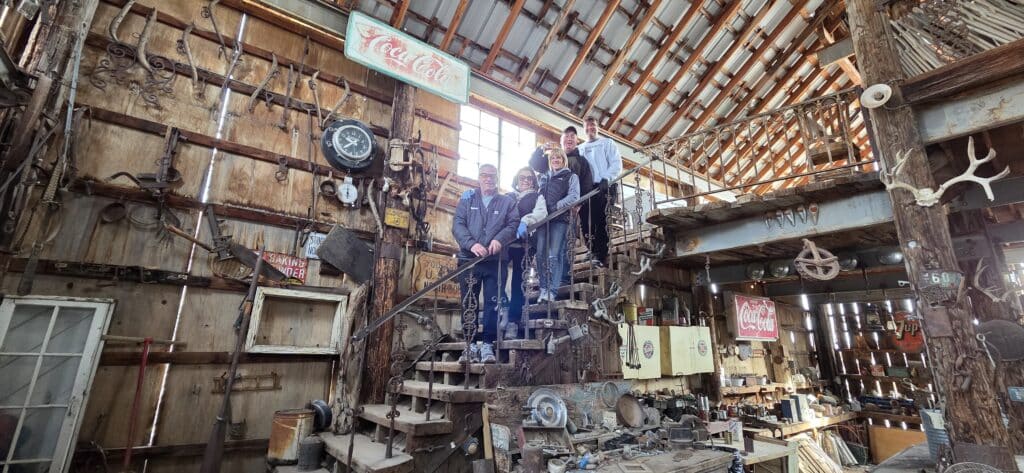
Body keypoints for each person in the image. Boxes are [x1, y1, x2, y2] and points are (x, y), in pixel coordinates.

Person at [452, 164, 519, 363]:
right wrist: (472, 245)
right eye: (484, 175)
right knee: (469, 302)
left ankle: (487, 345)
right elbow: (458, 224)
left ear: (497, 178)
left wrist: (500, 240)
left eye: (492, 176)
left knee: (493, 303)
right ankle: (470, 345)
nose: (488, 179)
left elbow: (513, 224)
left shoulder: (507, 201)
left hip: (495, 261)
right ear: (478, 177)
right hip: (469, 259)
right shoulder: (467, 199)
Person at [530, 126, 593, 284]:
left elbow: (587, 184)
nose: (569, 139)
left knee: (563, 244)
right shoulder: (551, 159)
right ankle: (544, 278)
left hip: (568, 211)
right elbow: (534, 163)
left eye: (573, 136)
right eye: (566, 136)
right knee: (544, 247)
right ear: (561, 140)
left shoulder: (581, 161)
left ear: (576, 141)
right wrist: (542, 148)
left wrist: (579, 204)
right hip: (546, 214)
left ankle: (564, 277)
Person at [536, 148, 580, 302]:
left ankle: (551, 291)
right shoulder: (543, 178)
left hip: (560, 220)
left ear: (563, 160)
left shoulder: (571, 176)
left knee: (554, 255)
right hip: (543, 220)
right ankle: (542, 287)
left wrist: (556, 207)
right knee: (540, 254)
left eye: (558, 157)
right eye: (553, 157)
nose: (555, 160)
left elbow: (574, 196)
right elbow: (537, 196)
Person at [578, 117, 622, 267]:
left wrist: (606, 178)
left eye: (593, 126)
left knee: (601, 220)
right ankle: (592, 249)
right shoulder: (580, 148)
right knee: (585, 221)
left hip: (604, 186)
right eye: (587, 126)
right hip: (587, 189)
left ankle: (600, 254)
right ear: (583, 129)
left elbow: (616, 163)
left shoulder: (607, 143)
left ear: (598, 128)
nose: (590, 129)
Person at [507, 168, 547, 330]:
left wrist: (525, 221)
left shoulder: (537, 197)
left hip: (524, 245)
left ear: (533, 181)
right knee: (496, 278)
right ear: (516, 180)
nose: (525, 180)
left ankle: (513, 321)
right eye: (522, 177)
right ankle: (501, 311)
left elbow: (541, 213)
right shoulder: (507, 197)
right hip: (504, 244)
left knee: (518, 282)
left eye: (529, 178)